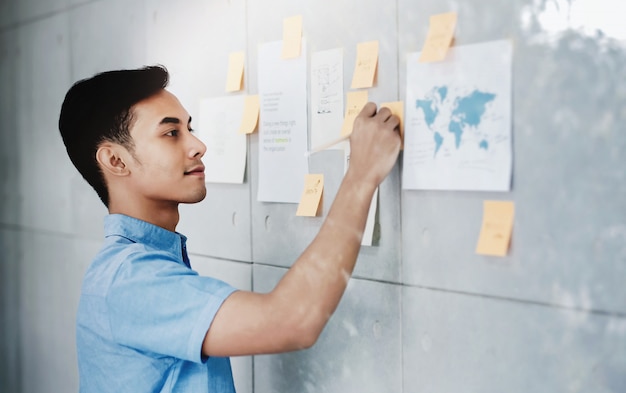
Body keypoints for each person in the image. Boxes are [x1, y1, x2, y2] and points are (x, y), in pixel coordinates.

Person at [59, 65, 401, 392]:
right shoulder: (130, 279)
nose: (197, 145)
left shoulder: (138, 265)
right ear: (116, 161)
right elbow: (292, 321)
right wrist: (362, 173)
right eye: (171, 133)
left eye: (189, 129)